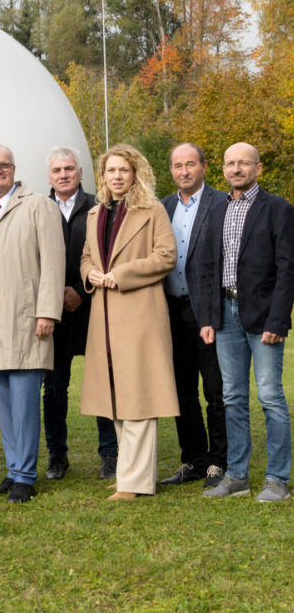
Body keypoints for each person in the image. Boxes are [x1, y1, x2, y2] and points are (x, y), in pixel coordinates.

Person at [0, 144, 64, 504]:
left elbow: (53, 263)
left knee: (23, 402)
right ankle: (14, 468)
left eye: (4, 164)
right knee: (1, 404)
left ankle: (25, 475)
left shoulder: (39, 206)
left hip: (25, 318)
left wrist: (47, 311)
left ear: (14, 169)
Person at [80, 144, 178, 501]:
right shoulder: (95, 213)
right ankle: (131, 473)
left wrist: (121, 274)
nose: (117, 176)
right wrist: (89, 272)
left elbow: (166, 256)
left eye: (124, 169)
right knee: (117, 397)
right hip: (104, 317)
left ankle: (133, 483)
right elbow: (87, 256)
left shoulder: (152, 210)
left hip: (139, 314)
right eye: (111, 170)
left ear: (136, 173)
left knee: (138, 396)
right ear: (103, 175)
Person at [198, 142, 294, 502]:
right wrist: (209, 317)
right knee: (232, 397)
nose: (236, 169)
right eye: (230, 163)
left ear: (258, 168)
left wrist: (278, 320)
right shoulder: (218, 209)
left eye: (243, 163)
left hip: (264, 317)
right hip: (225, 315)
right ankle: (237, 476)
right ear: (223, 168)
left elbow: (288, 269)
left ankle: (277, 479)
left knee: (270, 396)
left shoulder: (278, 208)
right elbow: (209, 268)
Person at [44, 147, 118, 481]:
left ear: (80, 172)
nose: (63, 175)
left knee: (103, 383)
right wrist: (53, 296)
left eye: (69, 169)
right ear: (49, 176)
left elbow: (109, 256)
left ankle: (110, 454)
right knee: (53, 389)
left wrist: (79, 290)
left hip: (93, 307)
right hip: (52, 313)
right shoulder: (39, 209)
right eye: (57, 170)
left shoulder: (100, 207)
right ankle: (56, 455)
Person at [159, 143, 227, 488]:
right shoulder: (164, 207)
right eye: (177, 165)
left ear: (203, 166)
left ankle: (219, 462)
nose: (183, 171)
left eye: (190, 164)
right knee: (182, 390)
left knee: (215, 391)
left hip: (208, 312)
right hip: (171, 310)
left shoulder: (222, 203)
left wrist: (211, 315)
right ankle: (194, 460)